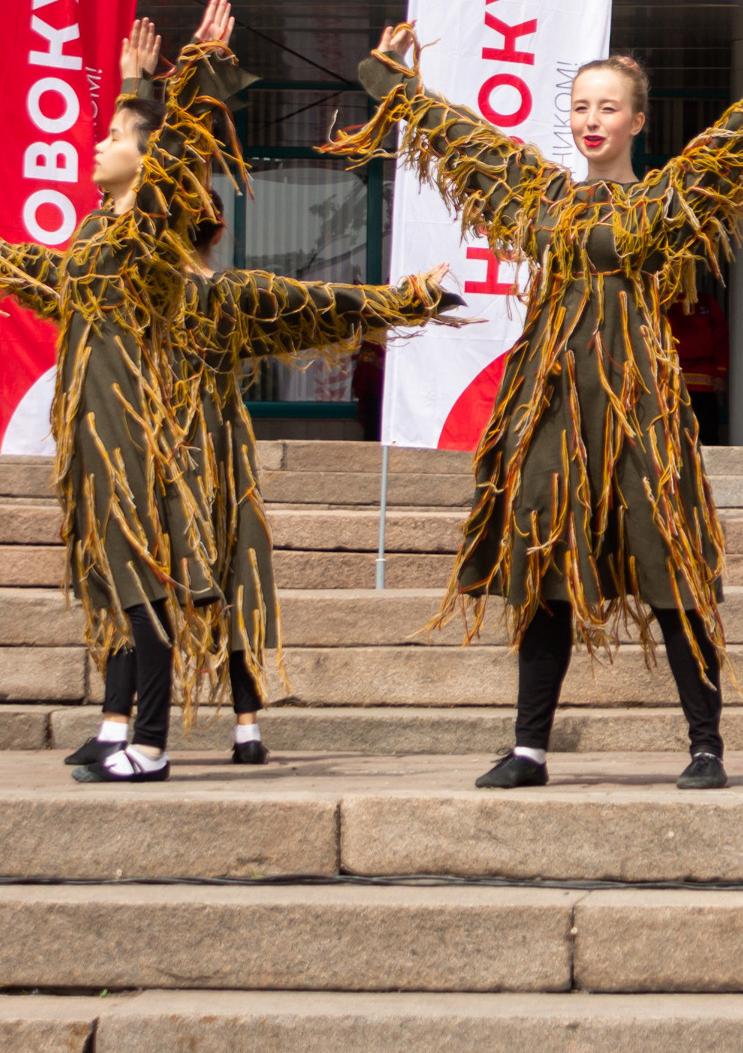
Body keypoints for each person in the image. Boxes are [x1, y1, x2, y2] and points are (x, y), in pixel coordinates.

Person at [322, 2, 743, 794]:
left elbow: (736, 144)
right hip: (549, 409)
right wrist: (401, 86)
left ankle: (705, 743)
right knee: (541, 568)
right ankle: (530, 747)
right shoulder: (542, 198)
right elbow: (469, 147)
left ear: (638, 119)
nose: (591, 118)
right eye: (579, 106)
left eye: (608, 105)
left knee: (673, 569)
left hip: (640, 409)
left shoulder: (660, 201)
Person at [0, 0, 246, 785]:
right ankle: (121, 730)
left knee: (142, 585)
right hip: (95, 432)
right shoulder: (101, 231)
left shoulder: (147, 231)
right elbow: (52, 279)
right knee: (114, 580)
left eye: (111, 137)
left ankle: (150, 740)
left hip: (137, 433)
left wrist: (185, 79)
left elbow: (172, 162)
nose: (98, 143)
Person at [58, 208, 462, 769]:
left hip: (168, 454)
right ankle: (242, 730)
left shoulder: (153, 297)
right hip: (221, 453)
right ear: (219, 233)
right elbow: (327, 304)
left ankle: (121, 727)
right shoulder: (232, 291)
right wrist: (410, 299)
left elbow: (50, 278)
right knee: (236, 576)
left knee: (143, 578)